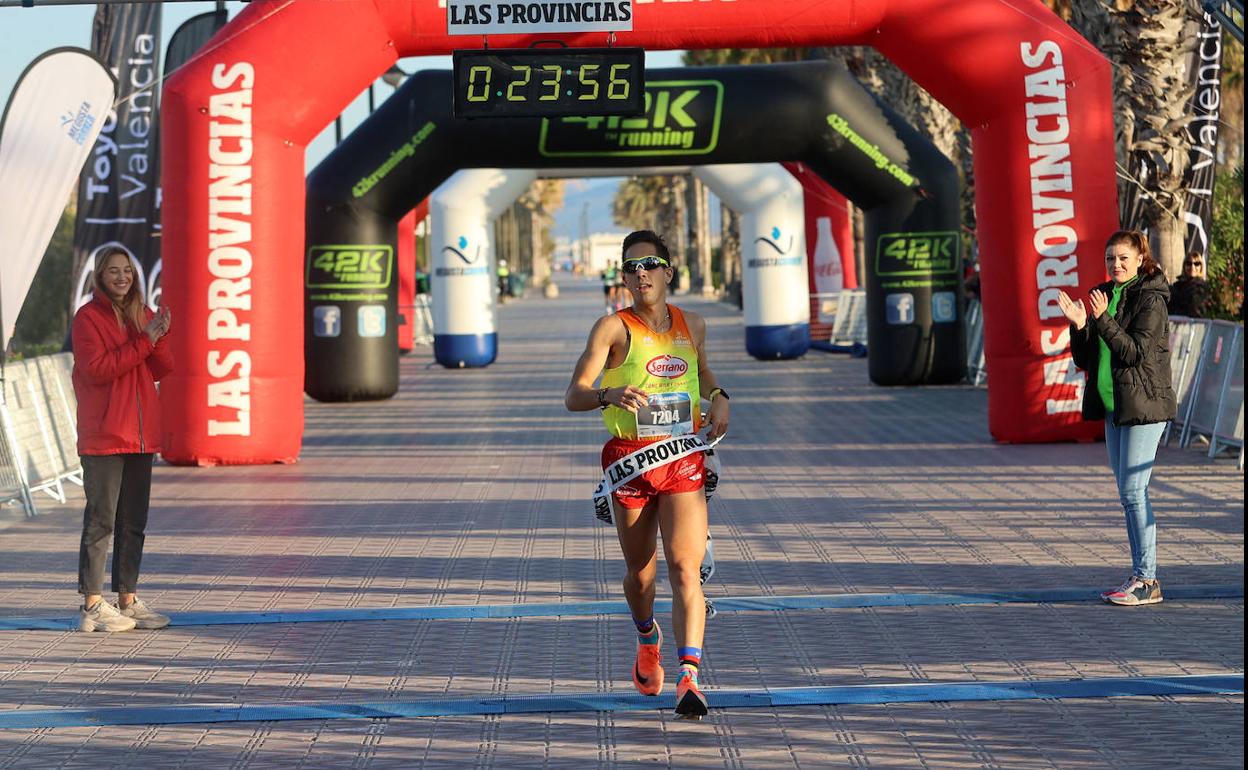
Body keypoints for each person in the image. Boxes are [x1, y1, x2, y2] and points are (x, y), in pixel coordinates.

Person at [565, 230, 730, 719]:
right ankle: (647, 638)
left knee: (685, 568)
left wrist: (720, 397)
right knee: (642, 575)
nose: (641, 273)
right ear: (623, 277)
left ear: (668, 271)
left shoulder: (693, 324)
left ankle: (689, 677)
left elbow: (704, 376)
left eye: (650, 264)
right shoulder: (611, 328)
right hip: (630, 461)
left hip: (681, 459)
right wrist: (606, 394)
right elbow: (573, 393)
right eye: (632, 267)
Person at [1057, 230, 1176, 607]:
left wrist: (1103, 318)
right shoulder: (1103, 294)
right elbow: (1085, 357)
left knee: (1133, 491)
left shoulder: (1151, 298)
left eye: (1124, 258)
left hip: (1143, 405)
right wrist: (1079, 325)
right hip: (1114, 406)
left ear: (1141, 259)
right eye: (1110, 258)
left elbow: (1135, 352)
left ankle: (1147, 579)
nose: (1116, 265)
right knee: (1128, 496)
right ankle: (1141, 575)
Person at [72, 246, 174, 632]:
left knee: (133, 522)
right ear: (100, 276)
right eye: (114, 270)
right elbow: (97, 370)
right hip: (104, 436)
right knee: (101, 521)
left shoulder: (140, 315)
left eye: (127, 270)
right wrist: (144, 340)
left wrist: (160, 335)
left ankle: (127, 600)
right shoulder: (87, 319)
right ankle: (92, 606)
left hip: (140, 435)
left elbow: (162, 368)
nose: (122, 277)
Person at [1167, 251, 1209, 318]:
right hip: (1174, 324)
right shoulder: (1176, 287)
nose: (1192, 267)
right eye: (1189, 263)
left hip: (1193, 325)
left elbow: (1196, 311)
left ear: (1201, 267)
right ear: (1184, 266)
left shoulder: (1203, 288)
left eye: (1196, 264)